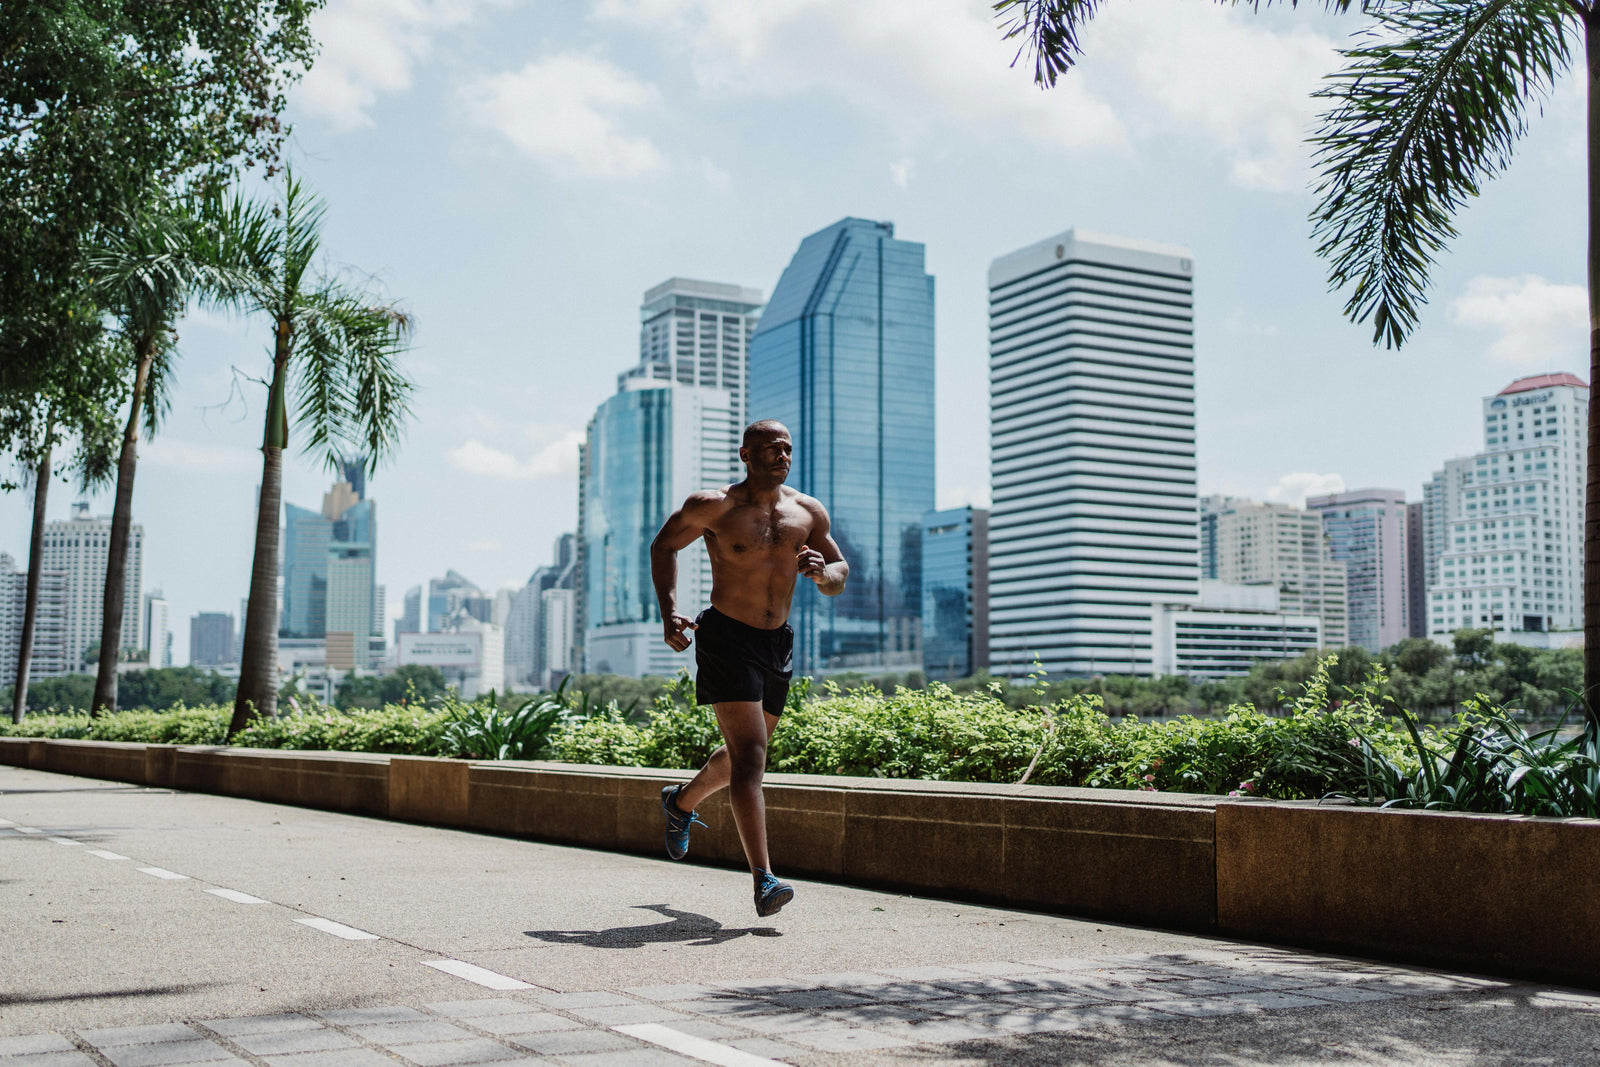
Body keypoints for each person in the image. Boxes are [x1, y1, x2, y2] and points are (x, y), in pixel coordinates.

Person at [649, 419, 848, 917]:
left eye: (786, 448)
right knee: (752, 755)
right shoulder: (713, 506)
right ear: (745, 454)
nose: (780, 455)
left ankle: (680, 803)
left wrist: (824, 575)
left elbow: (841, 571)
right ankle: (764, 878)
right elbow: (664, 546)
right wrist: (668, 609)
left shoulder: (807, 511)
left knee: (745, 756)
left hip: (776, 642)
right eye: (768, 448)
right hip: (725, 637)